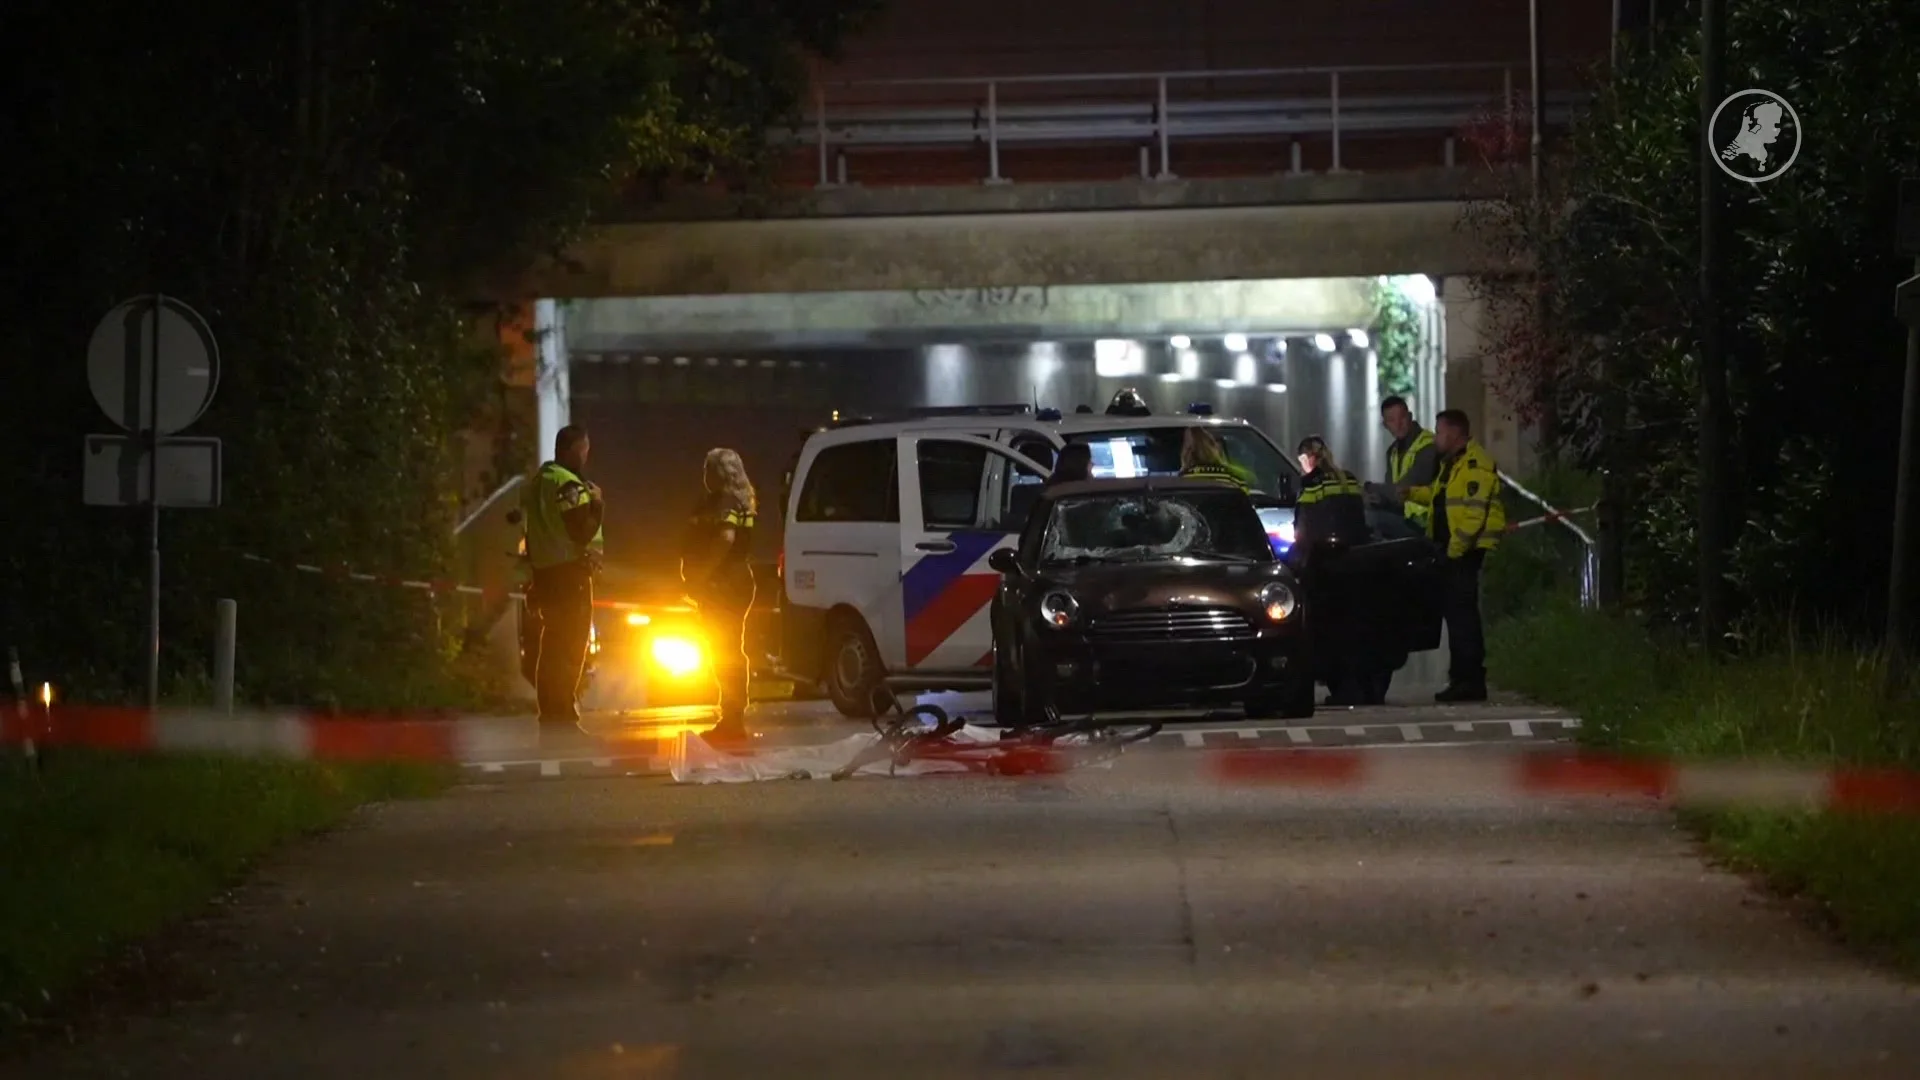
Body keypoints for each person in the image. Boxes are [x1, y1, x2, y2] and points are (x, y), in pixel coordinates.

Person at [1399, 409, 1505, 703]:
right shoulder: (1452, 465)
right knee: (1457, 615)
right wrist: (1411, 494)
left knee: (1463, 617)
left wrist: (1454, 552)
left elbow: (1473, 515)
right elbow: (1440, 497)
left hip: (1464, 553)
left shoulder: (1475, 464)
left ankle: (1469, 680)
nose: (1436, 438)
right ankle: (1461, 678)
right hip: (1452, 550)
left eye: (1440, 432)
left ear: (1456, 433)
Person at [519, 425, 604, 731]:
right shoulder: (568, 485)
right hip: (569, 575)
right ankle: (563, 714)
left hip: (546, 574)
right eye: (583, 450)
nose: (585, 456)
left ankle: (551, 712)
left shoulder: (540, 481)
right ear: (569, 450)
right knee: (569, 646)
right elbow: (581, 530)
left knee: (551, 644)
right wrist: (598, 503)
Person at [681, 448, 760, 744]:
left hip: (724, 583)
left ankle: (733, 718)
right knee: (728, 648)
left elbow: (725, 539)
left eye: (708, 470)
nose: (704, 476)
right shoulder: (738, 500)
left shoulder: (725, 502)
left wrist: (701, 574)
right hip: (732, 581)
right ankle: (732, 715)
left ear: (719, 473)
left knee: (725, 651)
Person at [1291, 435, 1377, 706]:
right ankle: (1360, 687)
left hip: (1324, 568)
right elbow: (1361, 518)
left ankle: (1342, 688)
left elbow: (1304, 530)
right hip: (1355, 562)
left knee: (1327, 630)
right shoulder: (1348, 479)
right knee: (1354, 628)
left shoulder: (1312, 485)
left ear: (1309, 458)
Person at [1367, 395, 1439, 541]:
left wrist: (1370, 487)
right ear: (1385, 425)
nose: (1398, 424)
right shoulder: (1393, 452)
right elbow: (1391, 490)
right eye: (1392, 420)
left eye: (1402, 418)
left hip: (1425, 523)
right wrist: (1378, 498)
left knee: (1369, 518)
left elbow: (1402, 490)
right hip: (1404, 517)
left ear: (1410, 417)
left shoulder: (1428, 445)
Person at [1178, 427, 1256, 491]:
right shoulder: (1235, 478)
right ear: (1215, 448)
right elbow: (1244, 507)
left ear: (1188, 451)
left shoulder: (1183, 481)